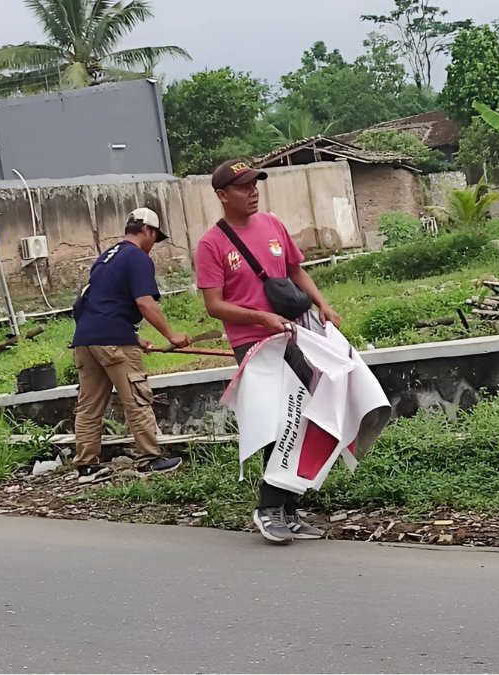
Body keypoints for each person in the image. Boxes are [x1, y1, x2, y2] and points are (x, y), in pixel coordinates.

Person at [194, 159, 342, 544]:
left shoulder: (273, 225)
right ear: (222, 195)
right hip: (254, 343)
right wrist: (259, 318)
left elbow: (296, 271)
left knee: (304, 417)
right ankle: (269, 508)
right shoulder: (212, 244)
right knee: (280, 422)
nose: (253, 192)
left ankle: (289, 511)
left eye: (255, 184)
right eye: (243, 187)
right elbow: (213, 305)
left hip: (293, 333)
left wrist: (322, 304)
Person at [70, 207, 192, 484]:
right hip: (113, 342)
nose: (153, 245)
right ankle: (150, 458)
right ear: (147, 230)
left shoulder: (105, 258)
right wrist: (172, 335)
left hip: (86, 340)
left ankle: (86, 466)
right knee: (136, 399)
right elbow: (143, 302)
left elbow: (95, 304)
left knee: (88, 405)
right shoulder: (137, 258)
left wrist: (134, 337)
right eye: (155, 237)